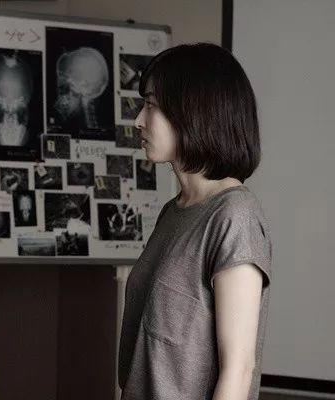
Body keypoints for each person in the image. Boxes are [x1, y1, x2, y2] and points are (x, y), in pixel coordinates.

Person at [118, 43, 272, 400]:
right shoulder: (174, 211)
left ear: (193, 111)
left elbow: (238, 370)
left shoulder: (234, 215)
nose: (138, 120)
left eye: (151, 105)